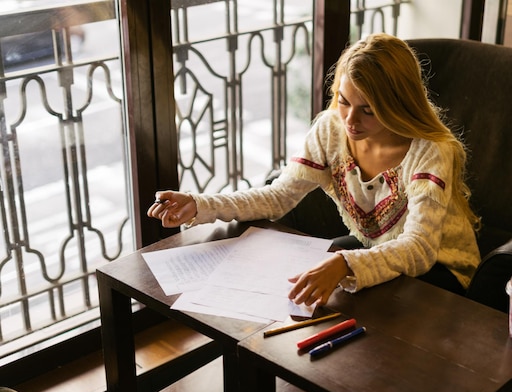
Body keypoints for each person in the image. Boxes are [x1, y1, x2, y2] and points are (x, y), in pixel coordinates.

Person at [147, 33, 481, 307]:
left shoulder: (430, 151)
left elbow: (420, 250)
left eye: (368, 110)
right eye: (344, 101)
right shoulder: (332, 131)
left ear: (398, 105)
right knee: (307, 288)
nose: (349, 121)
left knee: (348, 296)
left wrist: (346, 263)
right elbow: (279, 196)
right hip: (375, 249)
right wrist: (200, 204)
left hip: (441, 271)